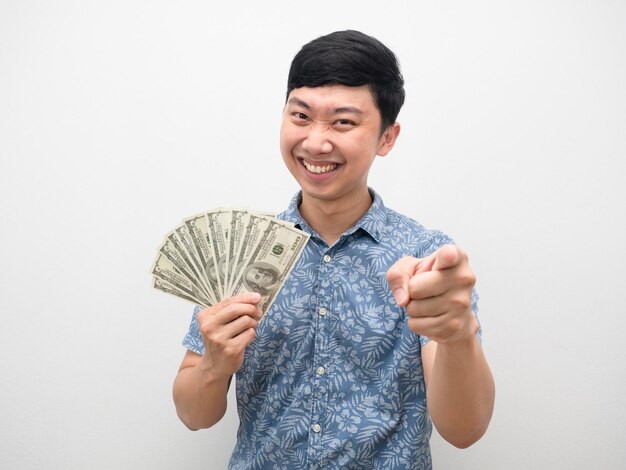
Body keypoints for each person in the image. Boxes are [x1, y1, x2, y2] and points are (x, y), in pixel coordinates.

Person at [173, 30, 495, 469]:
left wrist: (457, 335)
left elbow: (465, 431)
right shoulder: (243, 252)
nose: (315, 142)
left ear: (387, 137)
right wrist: (213, 364)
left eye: (343, 122)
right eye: (301, 116)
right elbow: (195, 416)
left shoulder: (425, 258)